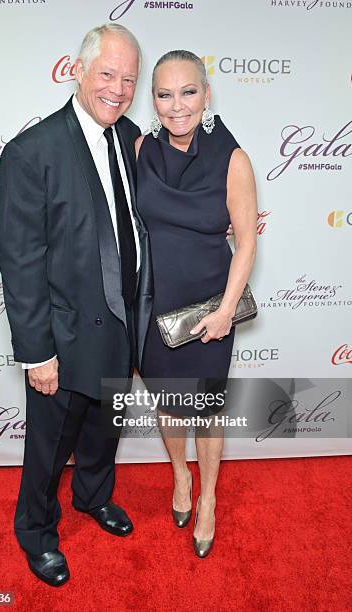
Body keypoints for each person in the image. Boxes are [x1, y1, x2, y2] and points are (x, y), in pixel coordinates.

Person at [0, 24, 153, 587]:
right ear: (77, 70)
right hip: (61, 339)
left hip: (120, 323)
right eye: (107, 74)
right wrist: (36, 353)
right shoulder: (30, 152)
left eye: (128, 78)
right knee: (48, 446)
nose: (117, 87)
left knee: (105, 429)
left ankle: (92, 497)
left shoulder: (131, 137)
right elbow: (20, 262)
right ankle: (35, 529)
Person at [135, 50, 257, 558]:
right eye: (165, 93)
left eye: (188, 92)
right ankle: (180, 478)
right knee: (168, 403)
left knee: (205, 413)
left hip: (210, 312)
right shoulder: (141, 148)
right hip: (153, 308)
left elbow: (247, 242)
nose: (176, 104)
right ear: (154, 100)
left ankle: (207, 500)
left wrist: (226, 311)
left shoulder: (233, 159)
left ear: (206, 96)